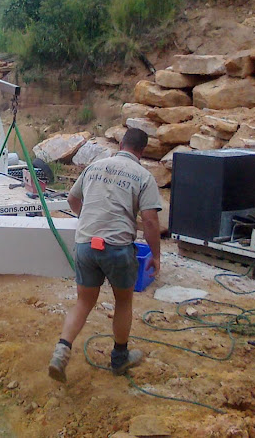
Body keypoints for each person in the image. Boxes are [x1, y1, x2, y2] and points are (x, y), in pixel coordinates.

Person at [48, 127, 162, 382]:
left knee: (84, 301)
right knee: (123, 301)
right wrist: (156, 256)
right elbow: (151, 221)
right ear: (141, 152)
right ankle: (119, 358)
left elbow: (73, 199)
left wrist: (88, 222)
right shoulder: (143, 176)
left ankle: (61, 351)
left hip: (86, 244)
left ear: (121, 144)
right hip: (117, 248)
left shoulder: (96, 166)